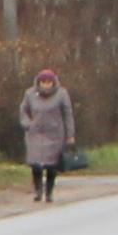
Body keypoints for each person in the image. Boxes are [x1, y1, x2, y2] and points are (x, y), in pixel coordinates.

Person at [18, 67, 77, 203]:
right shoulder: (30, 94)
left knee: (51, 165)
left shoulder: (62, 94)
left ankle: (49, 192)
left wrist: (70, 134)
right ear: (38, 82)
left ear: (53, 82)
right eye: (43, 82)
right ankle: (38, 190)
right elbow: (23, 111)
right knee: (36, 164)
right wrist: (27, 124)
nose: (46, 84)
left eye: (49, 82)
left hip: (54, 134)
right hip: (35, 133)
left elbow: (68, 114)